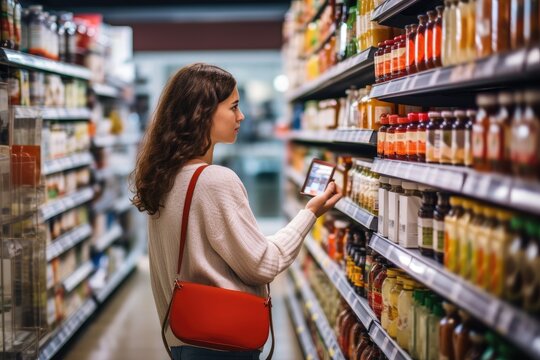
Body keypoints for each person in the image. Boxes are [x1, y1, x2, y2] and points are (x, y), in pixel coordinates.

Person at [132, 63, 342, 360]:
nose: (241, 116)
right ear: (202, 113)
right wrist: (310, 213)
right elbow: (264, 264)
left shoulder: (164, 177)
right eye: (233, 107)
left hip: (182, 338)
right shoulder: (216, 181)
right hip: (221, 343)